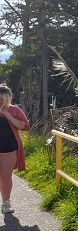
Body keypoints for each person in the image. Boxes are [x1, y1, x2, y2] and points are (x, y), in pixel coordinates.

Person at [0, 85, 30, 214]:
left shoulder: (15, 110)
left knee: (6, 177)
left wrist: (10, 118)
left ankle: (6, 203)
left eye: (1, 99)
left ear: (7, 98)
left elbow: (25, 126)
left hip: (9, 150)